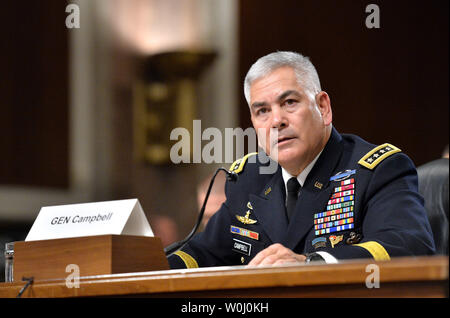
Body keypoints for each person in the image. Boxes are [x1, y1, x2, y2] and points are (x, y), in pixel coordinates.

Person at [168, 51, 435, 268]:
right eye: (262, 110)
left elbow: (409, 245)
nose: (276, 121)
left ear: (323, 107)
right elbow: (203, 253)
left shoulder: (376, 170)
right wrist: (146, 265)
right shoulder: (249, 178)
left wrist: (311, 263)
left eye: (289, 103)